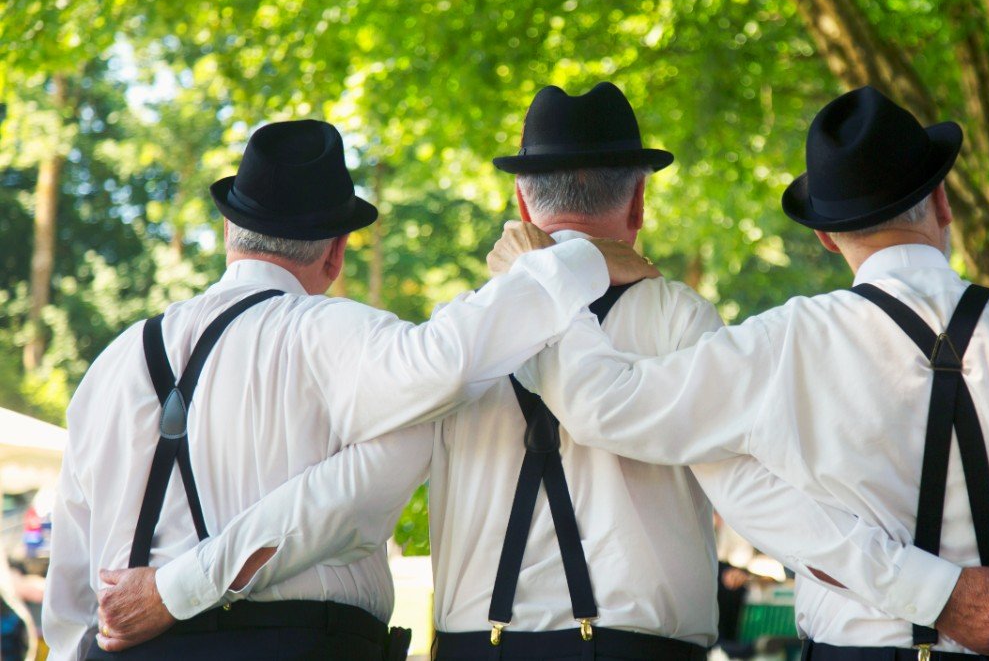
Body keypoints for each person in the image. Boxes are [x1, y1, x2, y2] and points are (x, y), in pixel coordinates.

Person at [97, 85, 989, 661]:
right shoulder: (691, 325)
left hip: (482, 650)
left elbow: (352, 491)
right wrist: (928, 588)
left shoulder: (450, 342)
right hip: (651, 653)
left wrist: (181, 582)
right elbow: (758, 499)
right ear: (639, 202)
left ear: (520, 196)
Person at [513, 86, 989, 660]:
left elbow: (606, 404)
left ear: (826, 236)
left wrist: (545, 282)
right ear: (942, 202)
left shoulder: (785, 343)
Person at [43, 119, 656, 660]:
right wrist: (580, 259)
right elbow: (447, 363)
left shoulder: (113, 362)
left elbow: (69, 583)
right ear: (336, 253)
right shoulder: (331, 332)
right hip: (298, 643)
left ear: (231, 231)